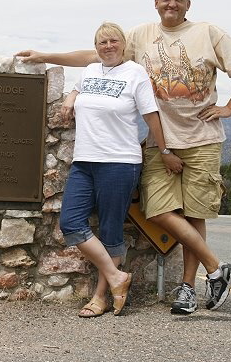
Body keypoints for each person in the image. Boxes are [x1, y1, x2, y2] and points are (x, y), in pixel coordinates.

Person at [17, 0, 231, 314]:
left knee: (194, 214)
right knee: (159, 210)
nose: (171, 4)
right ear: (156, 2)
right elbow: (97, 54)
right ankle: (218, 268)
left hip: (201, 138)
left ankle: (188, 289)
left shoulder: (208, 32)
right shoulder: (142, 35)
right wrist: (46, 54)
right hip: (157, 142)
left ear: (188, 4)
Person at [61, 22, 181, 318]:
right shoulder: (89, 71)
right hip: (84, 161)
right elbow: (78, 90)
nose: (108, 46)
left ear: (124, 45)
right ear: (96, 46)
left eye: (114, 41)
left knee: (111, 230)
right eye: (102, 42)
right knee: (71, 222)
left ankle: (100, 296)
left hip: (120, 162)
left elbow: (151, 115)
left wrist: (164, 151)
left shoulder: (134, 73)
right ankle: (117, 277)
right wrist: (70, 97)